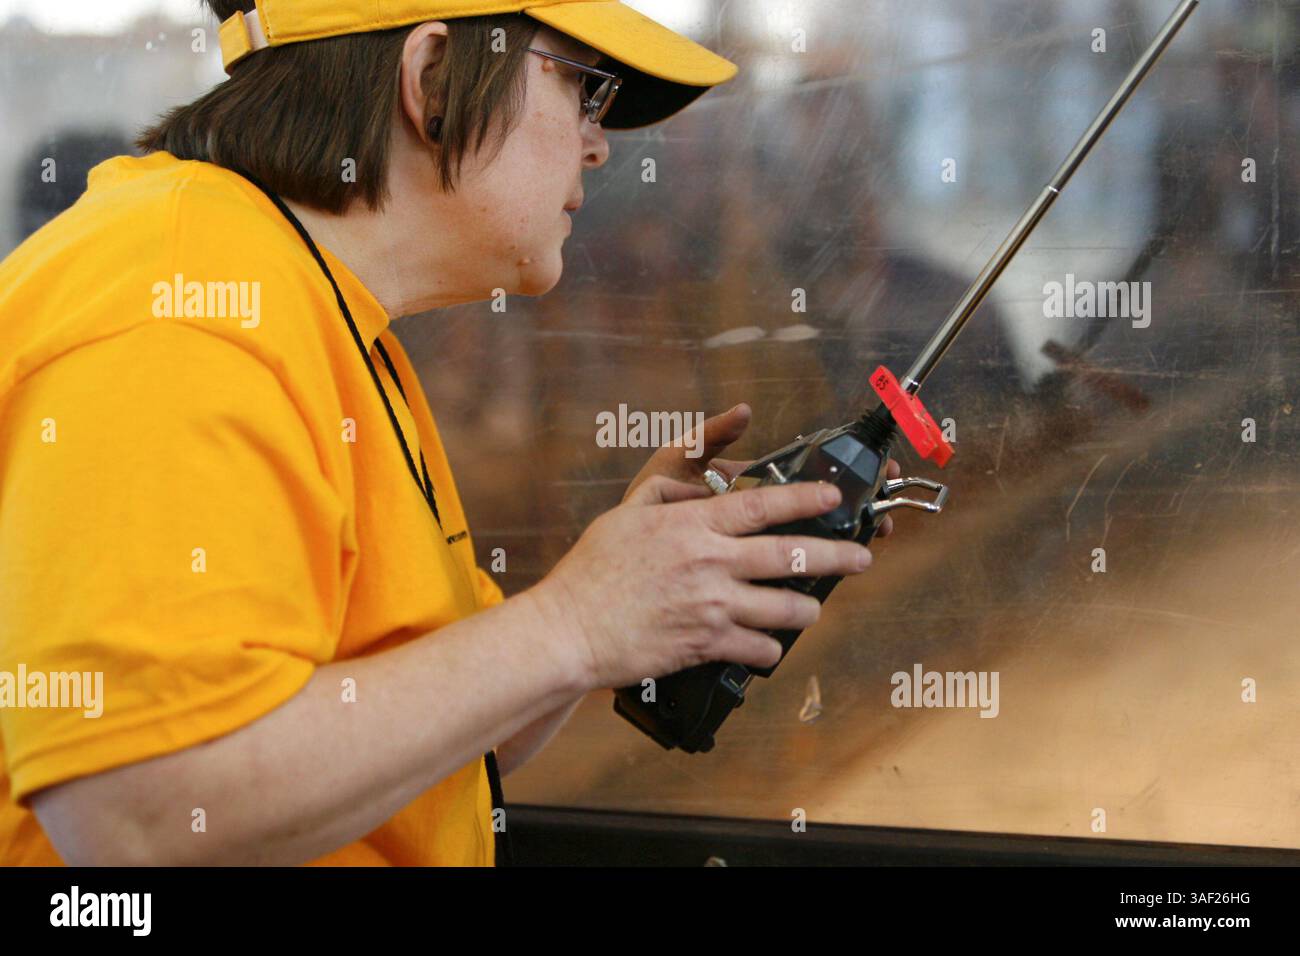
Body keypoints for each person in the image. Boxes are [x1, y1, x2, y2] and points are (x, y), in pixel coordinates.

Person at [0, 0, 894, 866]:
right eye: (584, 88)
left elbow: (444, 744)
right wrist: (574, 623)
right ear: (431, 79)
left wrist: (634, 589)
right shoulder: (179, 313)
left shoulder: (315, 309)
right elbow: (137, 814)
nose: (598, 141)